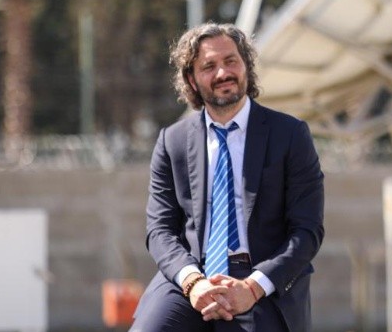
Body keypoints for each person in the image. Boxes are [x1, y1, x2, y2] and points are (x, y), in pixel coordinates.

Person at [131, 22, 325, 332]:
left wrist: (252, 287)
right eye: (209, 66)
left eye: (231, 61)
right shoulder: (173, 141)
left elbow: (307, 231)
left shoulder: (290, 135)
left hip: (264, 280)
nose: (223, 73)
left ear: (246, 65)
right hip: (194, 274)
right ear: (192, 80)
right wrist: (193, 282)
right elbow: (160, 230)